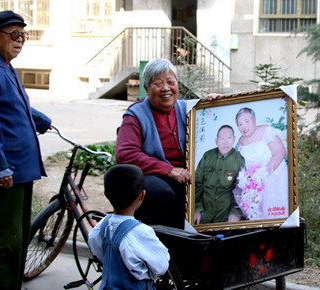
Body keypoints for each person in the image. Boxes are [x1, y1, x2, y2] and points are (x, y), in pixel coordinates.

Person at [0, 10, 52, 290]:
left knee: (18, 238)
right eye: (13, 34)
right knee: (6, 241)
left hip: (21, 169)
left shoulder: (5, 66)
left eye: (23, 35)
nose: (20, 40)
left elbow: (14, 106)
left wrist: (40, 120)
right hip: (8, 170)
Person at [115, 58, 191, 229]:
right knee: (158, 192)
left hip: (187, 176)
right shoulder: (135, 115)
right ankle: (166, 244)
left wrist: (214, 104)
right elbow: (125, 154)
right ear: (147, 89)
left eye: (170, 82)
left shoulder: (187, 109)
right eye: (158, 84)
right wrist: (169, 170)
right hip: (157, 177)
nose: (166, 88)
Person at [88, 164, 169, 289]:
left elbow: (96, 248)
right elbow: (161, 266)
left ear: (106, 194)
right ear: (142, 195)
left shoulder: (101, 226)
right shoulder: (141, 232)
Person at [234, 107, 288, 220]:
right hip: (253, 183)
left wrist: (262, 174)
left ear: (254, 120)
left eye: (246, 121)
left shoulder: (266, 131)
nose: (244, 126)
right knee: (257, 213)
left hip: (274, 177)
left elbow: (280, 153)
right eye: (240, 124)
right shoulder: (240, 141)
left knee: (275, 212)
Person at [194, 125, 245, 224]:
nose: (226, 142)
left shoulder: (239, 159)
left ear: (234, 139)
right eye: (222, 138)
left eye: (229, 138)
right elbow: (197, 183)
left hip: (226, 213)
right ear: (216, 141)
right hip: (204, 212)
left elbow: (241, 189)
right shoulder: (207, 156)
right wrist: (196, 208)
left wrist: (235, 212)